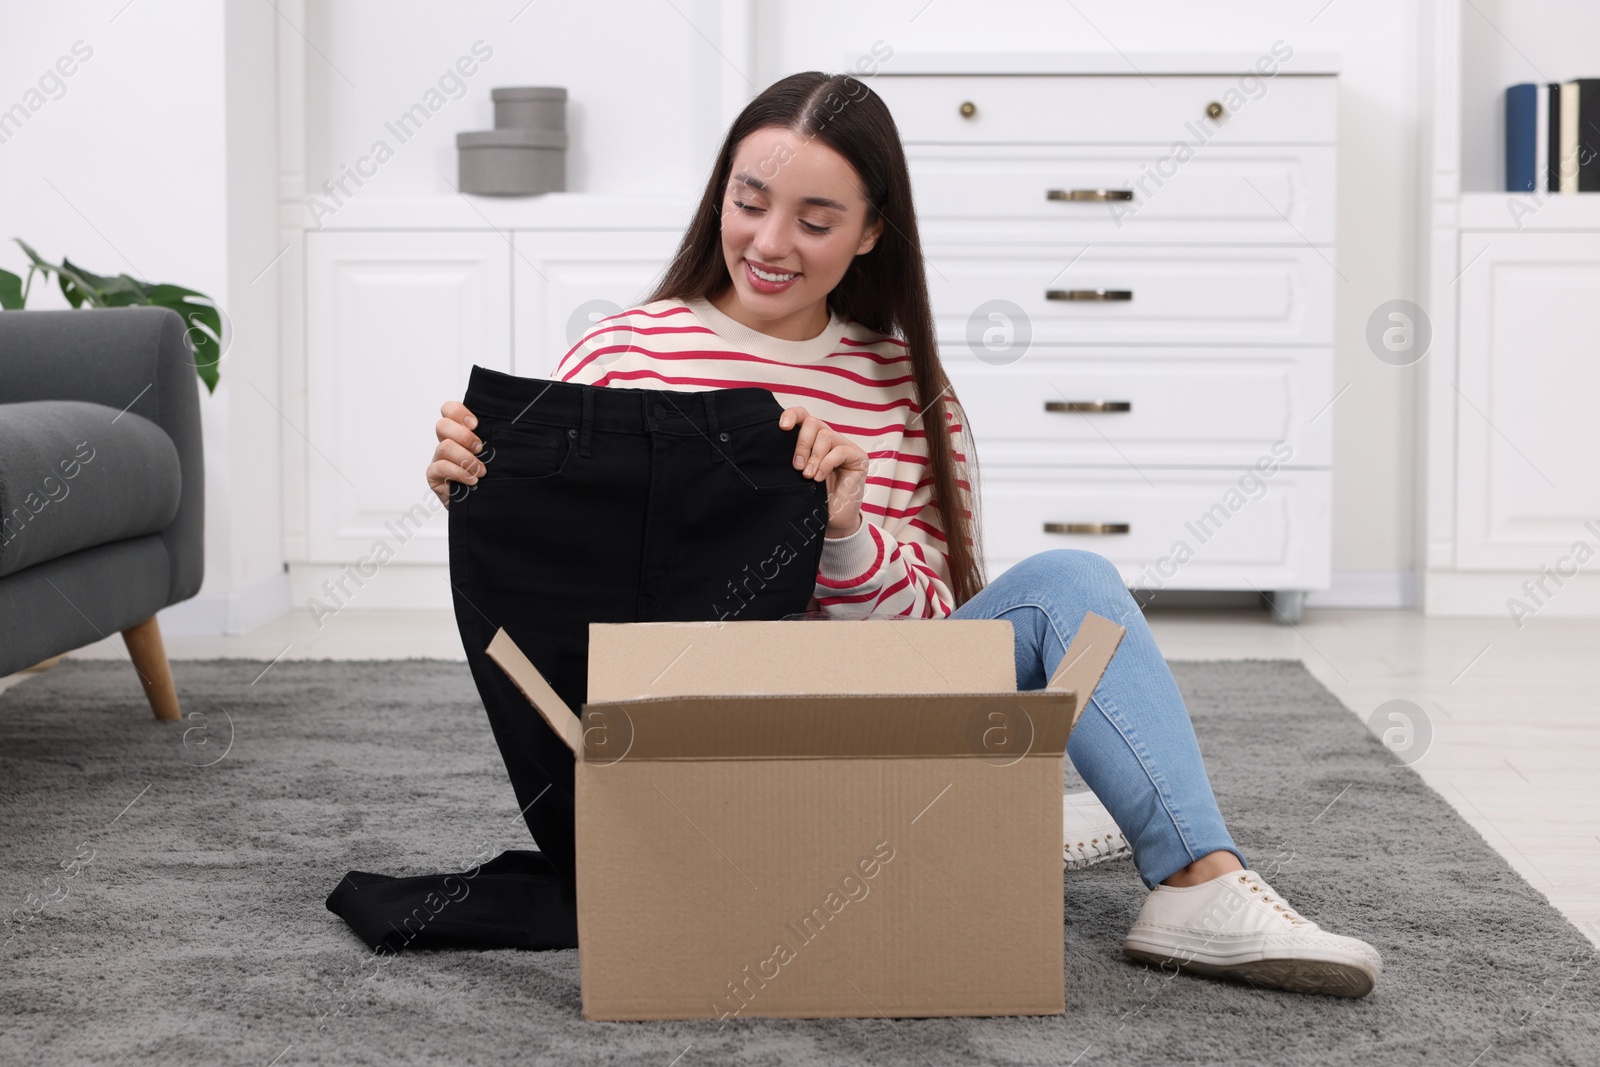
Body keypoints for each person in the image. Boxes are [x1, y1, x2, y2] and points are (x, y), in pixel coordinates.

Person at [426, 71, 1382, 999]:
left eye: (815, 219)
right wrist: (481, 495)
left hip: (867, 722)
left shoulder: (904, 386)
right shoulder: (622, 354)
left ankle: (1195, 886)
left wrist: (842, 532)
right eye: (749, 201)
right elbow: (576, 608)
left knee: (1067, 582)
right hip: (699, 747)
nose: (769, 242)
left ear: (873, 231)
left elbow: (937, 632)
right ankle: (1028, 821)